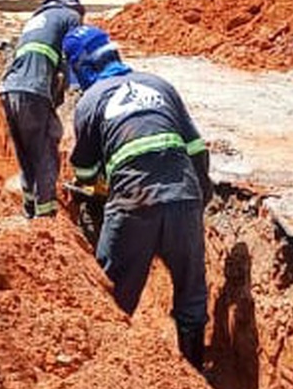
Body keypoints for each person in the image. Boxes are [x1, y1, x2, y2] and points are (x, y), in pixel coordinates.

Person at [63, 25, 212, 370]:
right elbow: (196, 148)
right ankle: (193, 371)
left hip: (133, 202)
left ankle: (112, 371)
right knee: (191, 291)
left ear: (83, 69)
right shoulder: (159, 85)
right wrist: (198, 196)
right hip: (184, 195)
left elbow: (84, 169)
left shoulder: (91, 100)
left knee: (113, 295)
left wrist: (101, 196)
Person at [0, 0, 84, 218]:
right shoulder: (69, 16)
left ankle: (29, 210)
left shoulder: (35, 21)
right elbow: (72, 56)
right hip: (32, 91)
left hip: (9, 88)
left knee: (26, 154)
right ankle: (46, 216)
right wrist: (78, 89)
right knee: (45, 150)